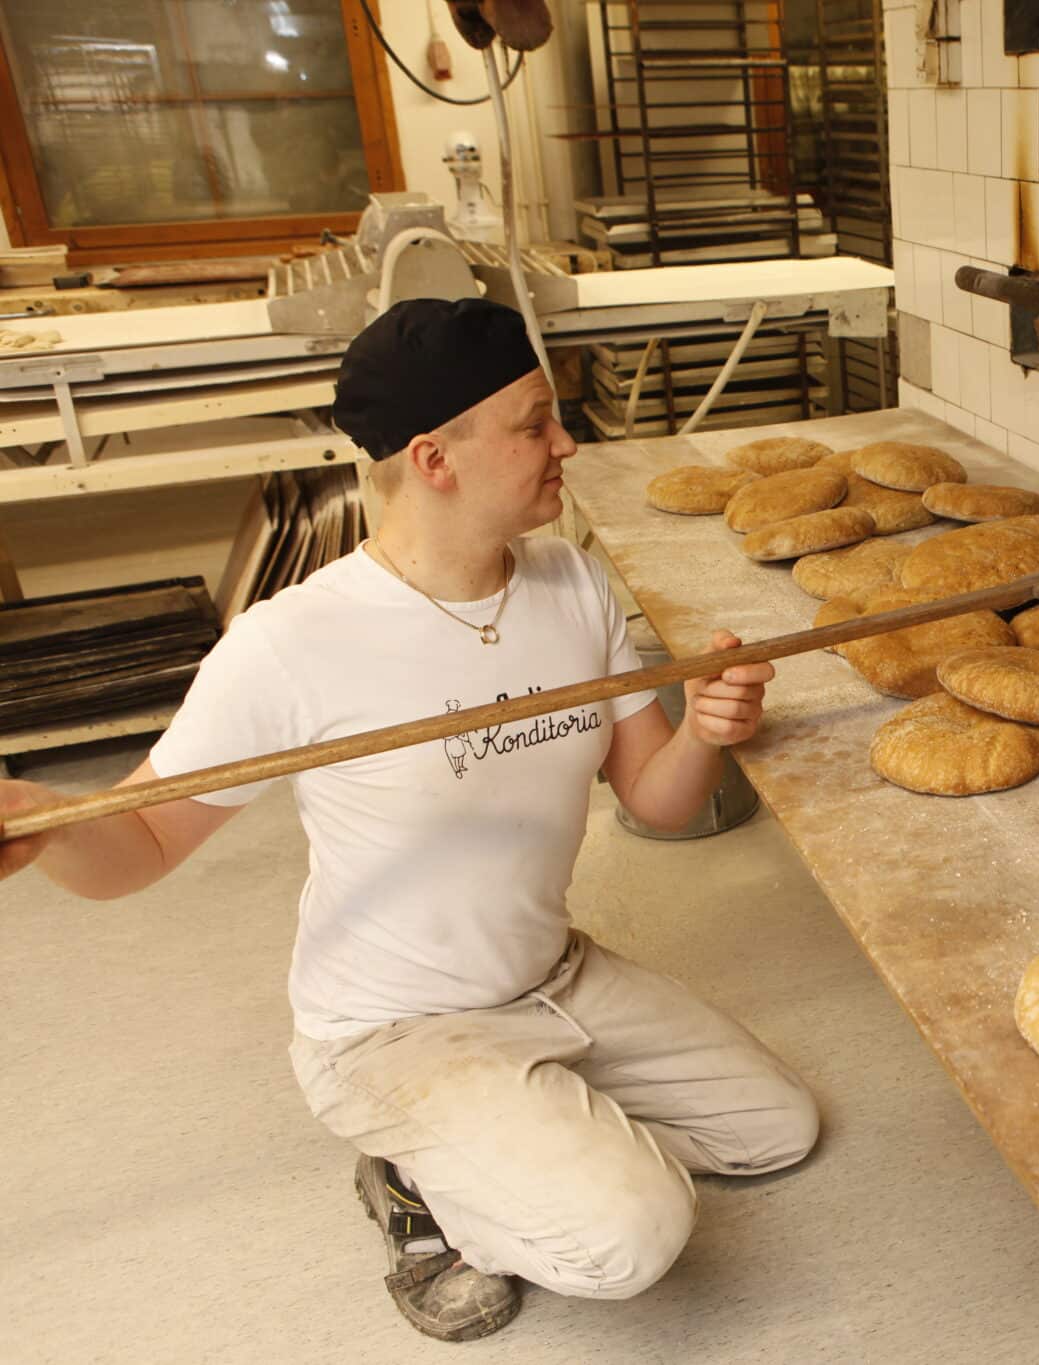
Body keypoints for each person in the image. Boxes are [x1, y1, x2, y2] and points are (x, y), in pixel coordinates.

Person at [0, 298, 819, 1342]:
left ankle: (507, 1122)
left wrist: (704, 728)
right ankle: (414, 1181)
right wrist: (46, 818)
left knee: (775, 1131)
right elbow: (142, 848)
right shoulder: (292, 642)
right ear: (435, 458)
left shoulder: (570, 586)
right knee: (629, 1236)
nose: (566, 442)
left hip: (550, 975)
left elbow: (654, 798)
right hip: (392, 1029)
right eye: (533, 423)